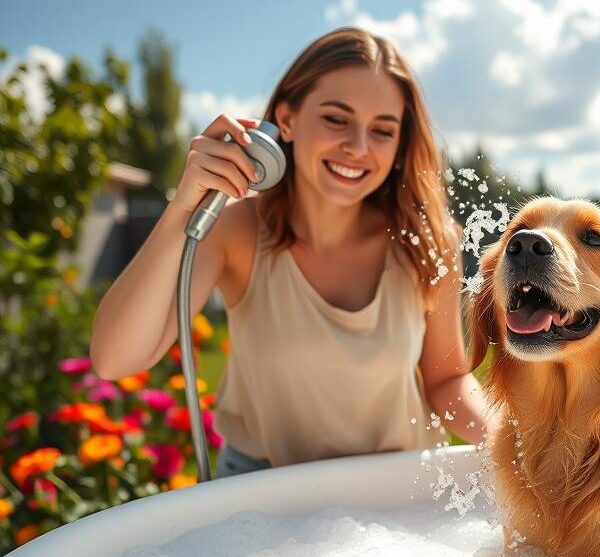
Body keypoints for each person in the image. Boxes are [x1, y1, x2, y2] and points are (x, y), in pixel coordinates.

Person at [89, 27, 495, 479]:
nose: (358, 148)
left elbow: (446, 380)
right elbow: (115, 359)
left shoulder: (428, 239)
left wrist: (509, 441)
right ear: (286, 120)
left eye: (382, 130)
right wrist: (184, 208)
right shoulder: (237, 229)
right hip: (263, 497)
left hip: (394, 492)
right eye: (336, 119)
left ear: (400, 145)